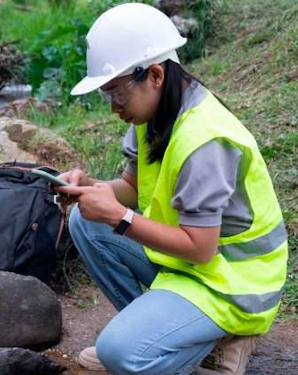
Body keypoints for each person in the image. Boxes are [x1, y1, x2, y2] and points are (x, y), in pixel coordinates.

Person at [55, 3, 288, 375]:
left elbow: (200, 248)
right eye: (107, 95)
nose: (113, 107)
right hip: (190, 267)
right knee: (86, 220)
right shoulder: (154, 114)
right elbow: (133, 186)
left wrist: (119, 217)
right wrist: (91, 190)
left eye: (116, 93)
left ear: (156, 75)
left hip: (232, 283)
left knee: (120, 354)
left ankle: (162, 348)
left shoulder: (205, 139)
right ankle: (156, 339)